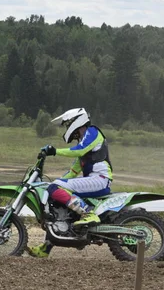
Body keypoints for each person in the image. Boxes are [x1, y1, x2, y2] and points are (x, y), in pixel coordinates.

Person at [28, 107, 113, 258]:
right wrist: (56, 185)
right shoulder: (85, 143)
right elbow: (73, 172)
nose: (68, 128)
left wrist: (55, 151)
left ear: (76, 121)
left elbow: (78, 150)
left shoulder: (92, 132)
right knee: (56, 196)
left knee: (56, 187)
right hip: (93, 179)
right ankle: (46, 248)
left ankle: (89, 213)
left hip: (100, 178)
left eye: (68, 124)